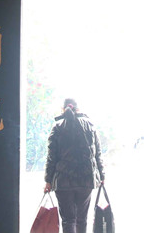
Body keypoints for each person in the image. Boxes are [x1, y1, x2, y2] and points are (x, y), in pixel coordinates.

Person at [43, 98, 105, 233]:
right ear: (78, 109)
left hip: (63, 181)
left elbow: (51, 157)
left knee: (68, 220)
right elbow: (97, 153)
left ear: (63, 109)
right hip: (86, 179)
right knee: (81, 220)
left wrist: (48, 180)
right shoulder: (90, 126)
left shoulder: (58, 127)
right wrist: (101, 175)